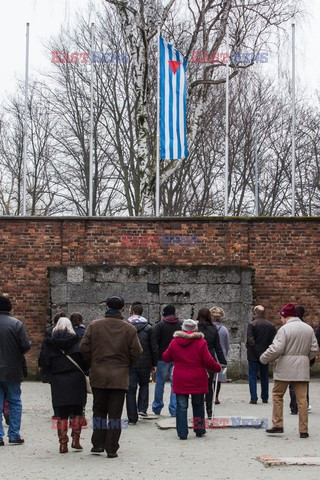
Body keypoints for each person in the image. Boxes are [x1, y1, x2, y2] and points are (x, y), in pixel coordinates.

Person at [80, 296, 142, 458]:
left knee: (99, 410)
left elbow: (84, 347)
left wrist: (94, 362)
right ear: (123, 308)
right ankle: (112, 447)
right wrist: (126, 364)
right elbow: (137, 351)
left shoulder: (95, 325)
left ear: (106, 306)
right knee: (115, 413)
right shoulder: (129, 329)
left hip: (99, 374)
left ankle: (98, 444)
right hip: (119, 376)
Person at [260, 303, 319, 438]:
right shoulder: (308, 329)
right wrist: (304, 357)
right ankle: (303, 430)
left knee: (277, 394)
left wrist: (264, 358)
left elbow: (277, 349)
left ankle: (278, 424)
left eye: (281, 317)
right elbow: (315, 349)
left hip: (284, 367)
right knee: (302, 399)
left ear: (285, 316)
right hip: (302, 368)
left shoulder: (284, 329)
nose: (281, 320)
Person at [162, 319, 221, 440]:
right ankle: (199, 429)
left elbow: (166, 357)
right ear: (195, 329)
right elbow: (208, 360)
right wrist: (218, 367)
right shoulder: (201, 342)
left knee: (181, 406)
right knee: (198, 404)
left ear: (183, 329)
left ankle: (182, 433)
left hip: (180, 378)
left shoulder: (174, 342)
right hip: (198, 377)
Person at [41, 317, 87, 453]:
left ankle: (63, 443)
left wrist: (50, 376)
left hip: (58, 380)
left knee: (61, 412)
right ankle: (76, 440)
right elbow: (85, 362)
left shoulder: (49, 344)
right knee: (78, 410)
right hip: (76, 379)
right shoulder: (77, 342)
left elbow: (44, 363)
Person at [0, 295, 31, 446]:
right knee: (15, 401)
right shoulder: (17, 324)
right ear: (10, 308)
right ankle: (14, 435)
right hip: (12, 369)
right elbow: (25, 345)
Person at [126, 302, 158, 424]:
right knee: (144, 385)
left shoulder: (126, 326)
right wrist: (154, 363)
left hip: (130, 362)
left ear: (132, 311)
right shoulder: (149, 327)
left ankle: (132, 417)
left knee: (130, 389)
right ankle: (142, 409)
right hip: (145, 362)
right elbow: (154, 347)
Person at [197, 308, 226, 419]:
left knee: (198, 386)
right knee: (209, 386)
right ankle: (209, 410)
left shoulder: (196, 329)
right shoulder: (213, 330)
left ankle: (199, 410)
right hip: (210, 358)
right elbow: (218, 348)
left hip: (198, 359)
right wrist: (223, 361)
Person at [152, 305, 181, 416]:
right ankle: (174, 409)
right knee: (175, 383)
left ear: (164, 314)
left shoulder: (159, 326)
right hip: (177, 358)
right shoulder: (180, 324)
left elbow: (155, 344)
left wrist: (154, 360)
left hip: (162, 358)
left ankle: (157, 407)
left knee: (160, 382)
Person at [246, 305, 276, 404]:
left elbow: (250, 340)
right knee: (264, 376)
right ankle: (265, 397)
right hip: (266, 354)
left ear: (255, 313)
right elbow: (273, 341)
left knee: (252, 376)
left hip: (253, 354)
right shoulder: (271, 325)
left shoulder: (252, 324)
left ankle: (253, 398)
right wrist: (265, 353)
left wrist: (257, 352)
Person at [289, 305, 312, 414]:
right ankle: (304, 405)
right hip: (304, 359)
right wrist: (310, 358)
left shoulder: (288, 328)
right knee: (303, 384)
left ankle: (294, 407)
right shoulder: (308, 328)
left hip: (291, 359)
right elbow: (314, 347)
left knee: (292, 384)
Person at [210, 306, 229, 404]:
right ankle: (216, 397)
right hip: (221, 354)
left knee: (208, 377)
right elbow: (226, 344)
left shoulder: (208, 328)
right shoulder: (224, 329)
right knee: (218, 379)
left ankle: (207, 396)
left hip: (210, 353)